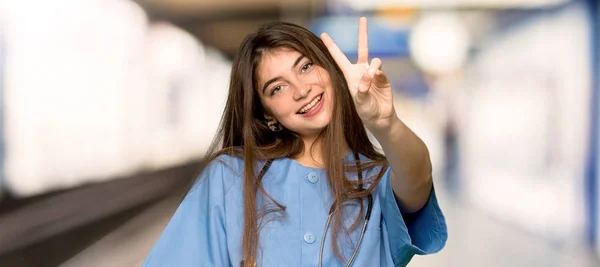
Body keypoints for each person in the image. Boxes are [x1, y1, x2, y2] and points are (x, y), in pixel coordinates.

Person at [142, 17, 447, 267]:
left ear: (330, 69)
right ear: (267, 114)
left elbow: (418, 179)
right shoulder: (229, 176)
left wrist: (385, 123)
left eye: (305, 67)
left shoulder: (376, 181)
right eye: (277, 88)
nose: (301, 90)